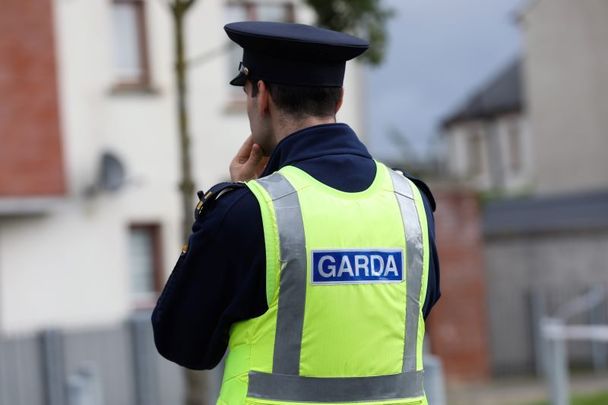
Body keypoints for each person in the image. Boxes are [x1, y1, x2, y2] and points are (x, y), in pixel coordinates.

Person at [152, 21, 440, 405]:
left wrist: (232, 203)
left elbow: (181, 342)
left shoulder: (250, 212)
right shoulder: (412, 204)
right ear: (338, 99)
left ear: (263, 96)